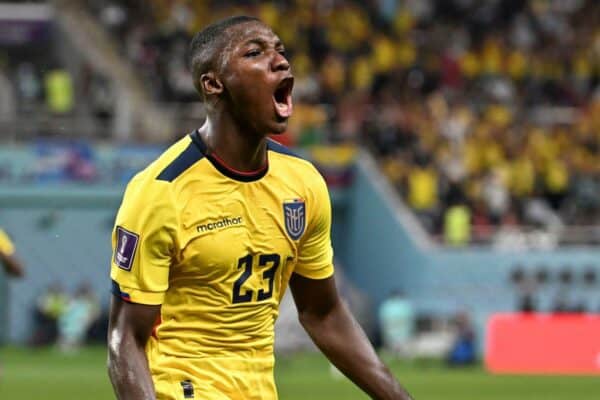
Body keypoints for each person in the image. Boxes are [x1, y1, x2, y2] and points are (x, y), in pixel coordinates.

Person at [107, 16, 414, 400]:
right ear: (213, 84)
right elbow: (125, 339)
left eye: (281, 52)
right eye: (255, 53)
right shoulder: (160, 192)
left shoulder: (303, 184)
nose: (281, 61)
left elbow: (323, 313)